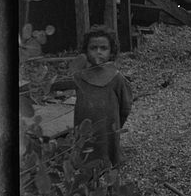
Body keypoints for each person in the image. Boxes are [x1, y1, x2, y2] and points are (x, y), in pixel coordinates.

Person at [50, 26, 132, 167]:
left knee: (107, 162)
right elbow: (60, 82)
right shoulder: (80, 77)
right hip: (84, 127)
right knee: (85, 159)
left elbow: (126, 106)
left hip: (108, 129)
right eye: (93, 48)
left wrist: (116, 125)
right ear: (86, 51)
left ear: (111, 52)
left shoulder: (116, 78)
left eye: (103, 48)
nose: (98, 52)